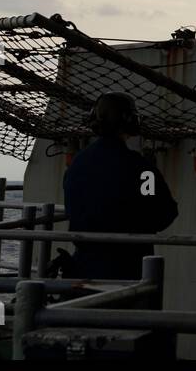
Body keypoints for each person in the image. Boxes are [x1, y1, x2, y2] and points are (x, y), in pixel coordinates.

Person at [61, 92, 179, 280]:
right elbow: (163, 214)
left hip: (82, 269)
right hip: (127, 270)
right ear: (131, 121)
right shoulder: (141, 169)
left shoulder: (77, 164)